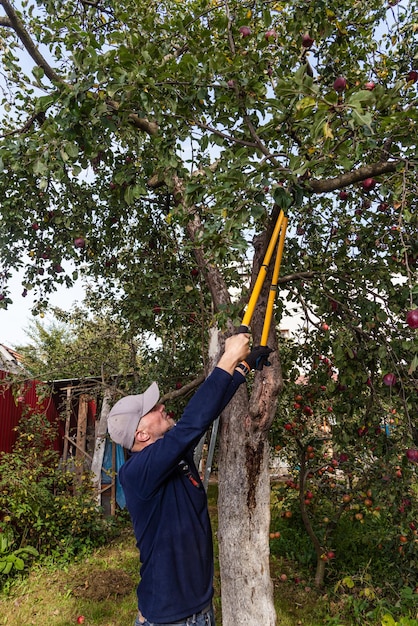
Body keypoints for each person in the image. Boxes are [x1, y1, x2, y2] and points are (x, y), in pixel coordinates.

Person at [107, 333, 273, 626]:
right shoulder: (138, 471)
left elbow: (205, 413)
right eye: (153, 409)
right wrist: (227, 358)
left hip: (199, 610)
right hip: (170, 619)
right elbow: (192, 423)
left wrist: (243, 366)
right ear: (141, 435)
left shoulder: (169, 452)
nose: (161, 407)